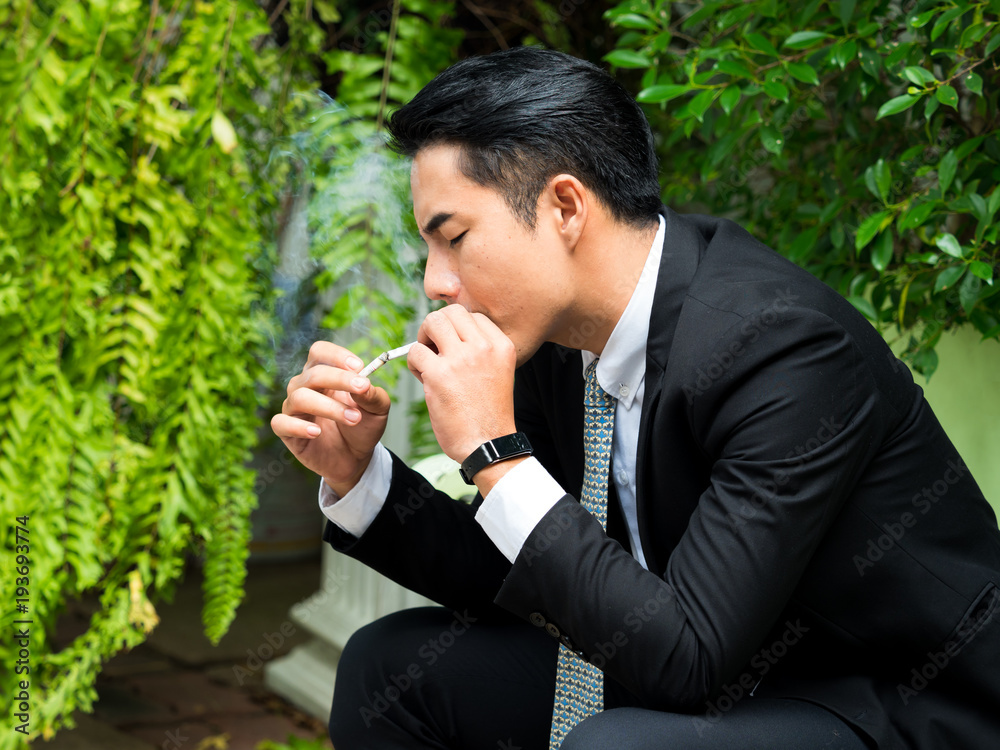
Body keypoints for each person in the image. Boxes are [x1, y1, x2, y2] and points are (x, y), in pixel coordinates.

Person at [270, 47, 1000, 750]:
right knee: (387, 670)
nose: (435, 281)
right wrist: (359, 476)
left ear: (564, 207)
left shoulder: (783, 349)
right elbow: (530, 572)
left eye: (453, 237)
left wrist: (494, 454)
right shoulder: (552, 338)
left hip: (883, 700)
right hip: (706, 662)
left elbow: (688, 659)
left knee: (619, 744)